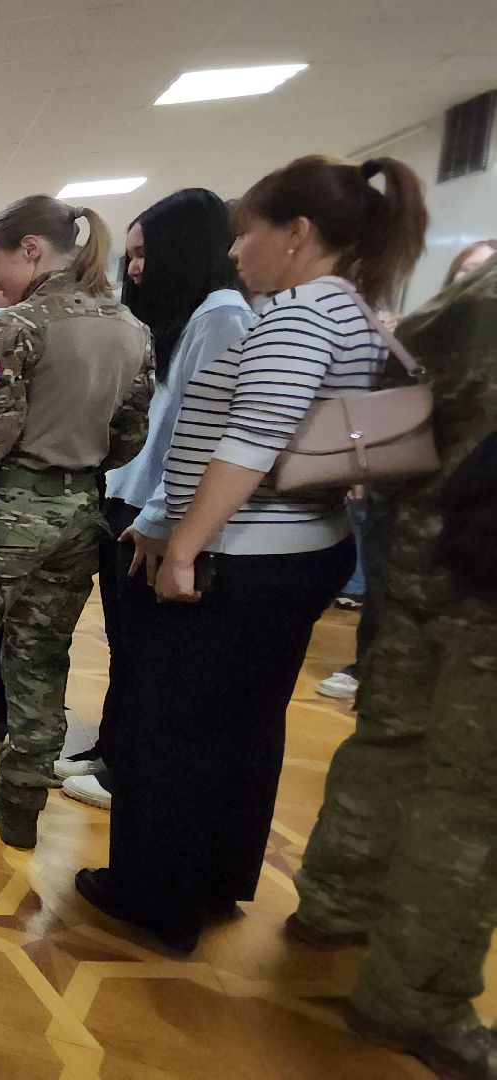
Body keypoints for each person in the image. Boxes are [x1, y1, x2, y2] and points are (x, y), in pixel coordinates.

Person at [80, 155, 429, 954]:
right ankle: (217, 876)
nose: (236, 253)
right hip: (305, 545)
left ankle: (153, 895)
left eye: (249, 234)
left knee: (171, 730)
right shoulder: (354, 310)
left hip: (247, 553)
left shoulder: (300, 314)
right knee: (244, 724)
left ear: (298, 234)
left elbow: (248, 441)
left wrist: (182, 549)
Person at [288, 257, 497, 1079]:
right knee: (472, 797)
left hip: (416, 547)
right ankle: (417, 998)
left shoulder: (470, 296)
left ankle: (336, 901)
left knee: (390, 737)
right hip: (484, 580)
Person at [56, 189, 253, 812]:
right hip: (131, 500)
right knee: (124, 641)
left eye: (144, 255)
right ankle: (113, 746)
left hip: (156, 512)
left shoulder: (221, 316)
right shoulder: (185, 317)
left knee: (146, 651)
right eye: (131, 256)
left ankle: (126, 766)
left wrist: (163, 516)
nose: (135, 268)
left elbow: (203, 433)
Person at [0, 195, 154, 849]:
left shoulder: (17, 324)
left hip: (6, 516)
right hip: (81, 514)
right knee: (43, 662)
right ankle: (19, 808)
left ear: (32, 250)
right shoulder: (132, 328)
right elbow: (131, 436)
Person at [319, 238, 490, 702]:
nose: (476, 279)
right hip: (403, 496)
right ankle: (368, 668)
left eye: (487, 269)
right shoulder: (423, 339)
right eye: (469, 269)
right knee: (385, 589)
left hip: (468, 506)